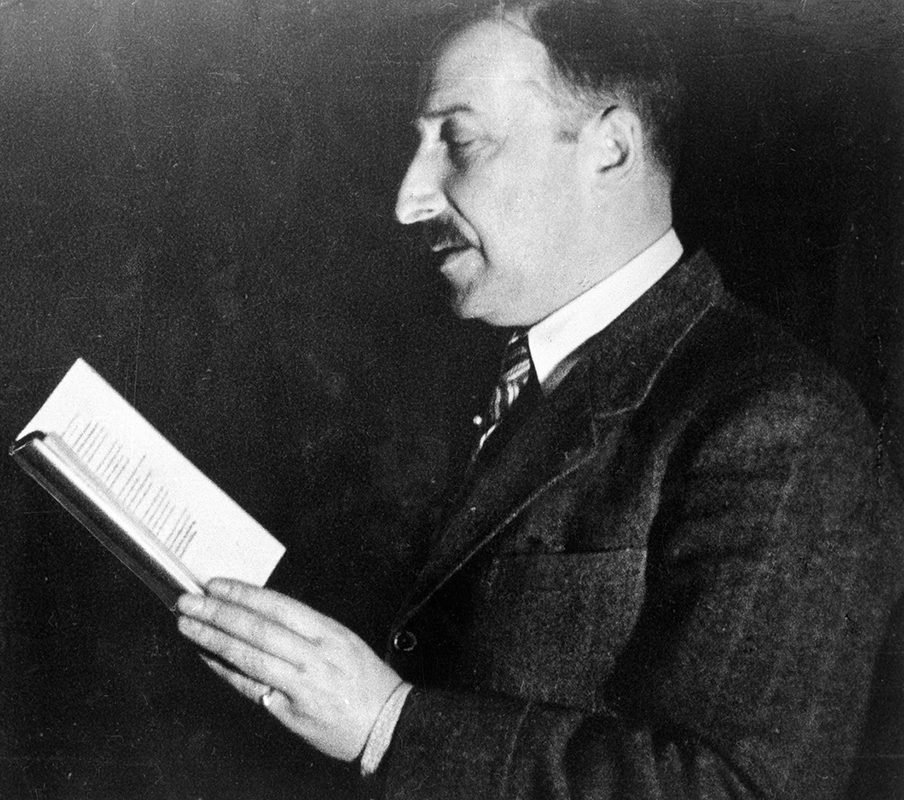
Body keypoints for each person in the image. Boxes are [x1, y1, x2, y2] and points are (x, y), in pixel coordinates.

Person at [175, 1, 904, 797]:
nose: (409, 199)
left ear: (611, 149)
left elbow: (742, 788)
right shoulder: (449, 367)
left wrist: (390, 725)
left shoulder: (781, 421)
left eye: (460, 141)